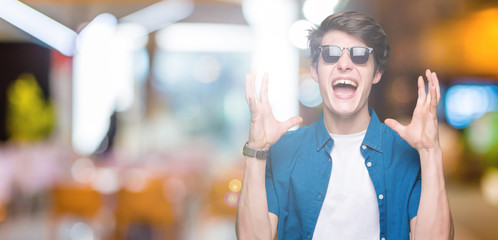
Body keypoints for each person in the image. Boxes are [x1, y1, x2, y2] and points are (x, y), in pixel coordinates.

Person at [236, 11, 454, 240]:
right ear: (314, 70)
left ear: (377, 72)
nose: (344, 64)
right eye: (330, 54)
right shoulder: (283, 152)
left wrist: (430, 151)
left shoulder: (407, 153)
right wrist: (256, 148)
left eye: (360, 55)